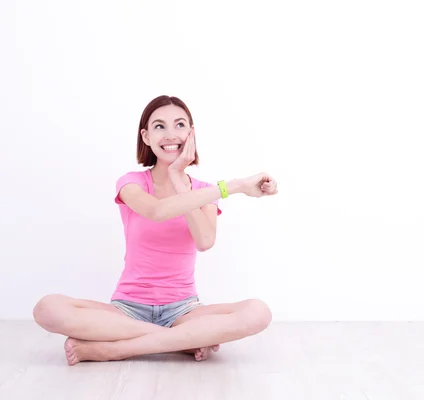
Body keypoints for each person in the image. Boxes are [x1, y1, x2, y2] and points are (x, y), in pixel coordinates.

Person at [32, 95, 279, 366]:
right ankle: (182, 340)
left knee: (258, 312)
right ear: (146, 136)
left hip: (184, 310)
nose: (170, 134)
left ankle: (113, 350)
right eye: (160, 126)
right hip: (126, 309)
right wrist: (235, 186)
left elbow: (205, 241)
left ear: (191, 133)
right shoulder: (131, 183)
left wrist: (178, 178)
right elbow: (157, 212)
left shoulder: (203, 191)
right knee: (47, 308)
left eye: (180, 125)